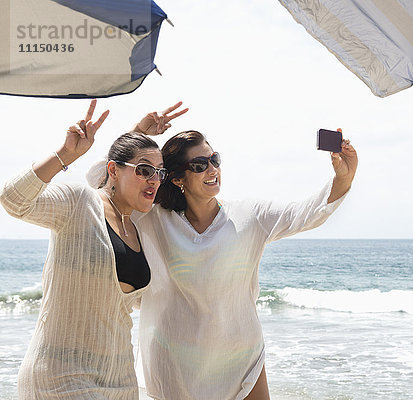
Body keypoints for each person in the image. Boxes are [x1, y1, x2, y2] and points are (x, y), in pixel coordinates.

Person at [132, 127, 358, 400]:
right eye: (200, 165)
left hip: (240, 358)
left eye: (214, 160)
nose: (212, 170)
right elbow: (107, 192)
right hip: (176, 366)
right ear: (178, 178)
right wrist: (138, 134)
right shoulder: (153, 220)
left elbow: (307, 213)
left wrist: (343, 177)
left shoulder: (249, 216)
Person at [0, 100, 186, 399]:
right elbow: (13, 199)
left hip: (120, 382)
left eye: (159, 173)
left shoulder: (138, 225)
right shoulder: (78, 203)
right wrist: (66, 154)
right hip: (59, 380)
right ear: (113, 169)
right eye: (144, 171)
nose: (154, 180)